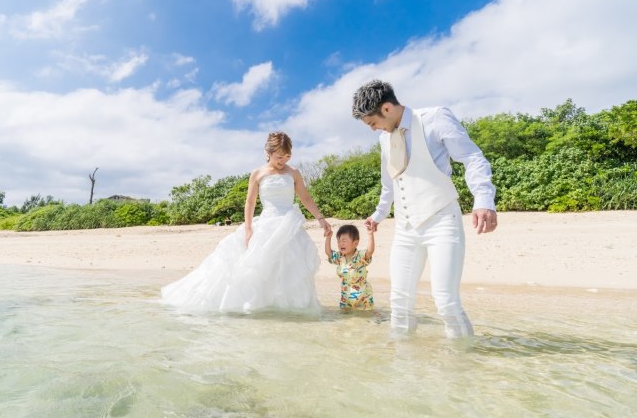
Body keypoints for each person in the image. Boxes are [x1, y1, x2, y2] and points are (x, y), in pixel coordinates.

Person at [351, 80, 497, 338]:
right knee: (399, 303)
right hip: (406, 228)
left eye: (372, 123)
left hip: (441, 220)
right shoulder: (385, 140)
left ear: (386, 108)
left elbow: (472, 158)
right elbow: (390, 185)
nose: (374, 130)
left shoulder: (434, 118)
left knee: (446, 302)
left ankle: (462, 365)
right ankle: (403, 368)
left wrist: (484, 199)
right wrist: (378, 215)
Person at [161, 131, 332, 314]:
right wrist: (249, 229)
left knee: (289, 268)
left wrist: (321, 219)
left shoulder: (294, 173)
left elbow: (305, 198)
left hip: (288, 225)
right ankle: (259, 307)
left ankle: (288, 308)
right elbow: (250, 202)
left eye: (287, 156)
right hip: (266, 223)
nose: (283, 160)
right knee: (256, 266)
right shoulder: (258, 173)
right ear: (268, 152)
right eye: (279, 156)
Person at [325, 224, 375, 311]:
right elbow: (329, 253)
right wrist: (328, 238)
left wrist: (370, 234)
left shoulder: (360, 256)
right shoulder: (339, 257)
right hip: (346, 295)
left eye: (344, 241)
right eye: (339, 241)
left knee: (367, 316)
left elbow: (370, 251)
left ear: (355, 243)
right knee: (345, 319)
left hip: (363, 296)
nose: (341, 244)